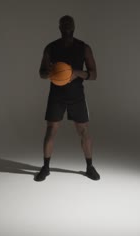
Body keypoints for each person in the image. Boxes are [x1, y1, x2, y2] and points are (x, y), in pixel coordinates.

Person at [35, 15, 100, 182]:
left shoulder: (84, 47)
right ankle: (46, 167)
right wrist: (49, 72)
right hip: (56, 95)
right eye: (64, 25)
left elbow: (94, 75)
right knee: (51, 131)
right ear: (59, 27)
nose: (67, 27)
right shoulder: (51, 47)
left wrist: (76, 73)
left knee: (83, 131)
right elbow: (41, 72)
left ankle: (90, 167)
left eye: (69, 24)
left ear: (74, 27)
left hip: (77, 95)